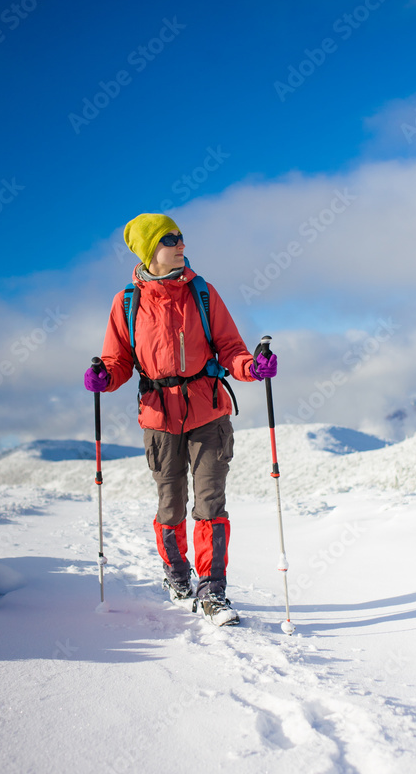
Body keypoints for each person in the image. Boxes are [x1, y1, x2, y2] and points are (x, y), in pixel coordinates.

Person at [84, 213, 277, 626]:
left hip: (208, 413)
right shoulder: (127, 303)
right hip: (158, 418)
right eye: (171, 238)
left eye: (182, 236)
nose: (181, 243)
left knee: (210, 502)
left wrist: (251, 367)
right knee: (170, 505)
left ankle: (212, 592)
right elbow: (119, 361)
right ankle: (176, 574)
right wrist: (104, 376)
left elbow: (229, 347)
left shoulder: (203, 294)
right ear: (149, 249)